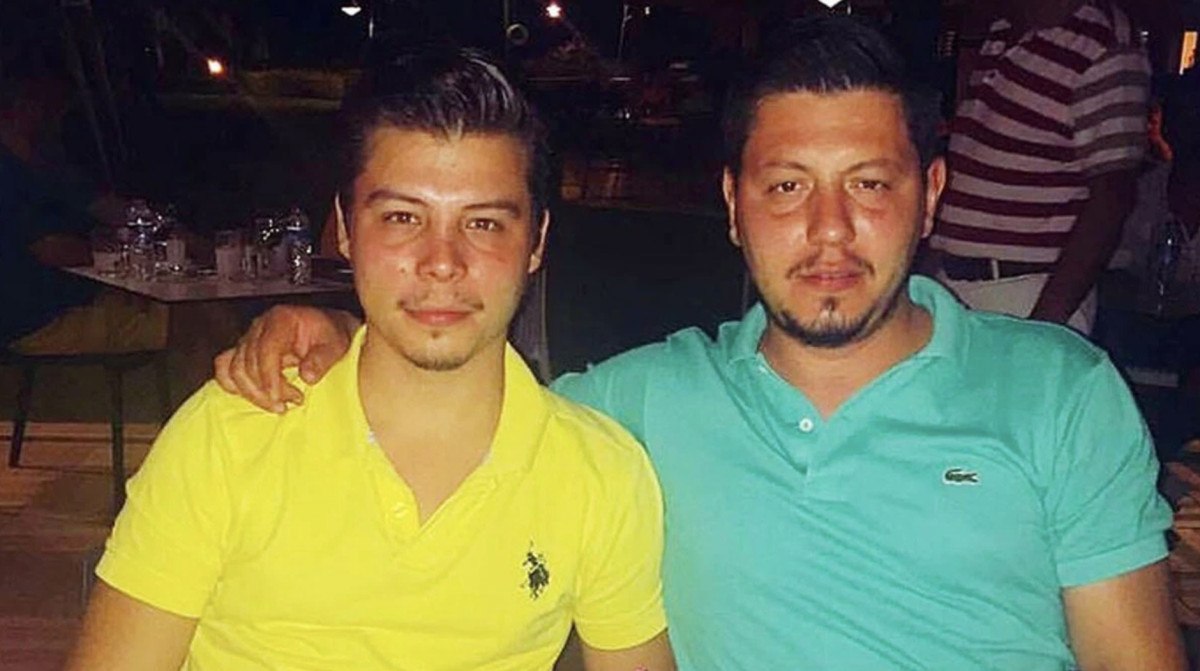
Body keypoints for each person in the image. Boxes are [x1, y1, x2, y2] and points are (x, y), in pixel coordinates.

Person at [214, 17, 1185, 670]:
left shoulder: (1057, 389)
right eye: (787, 186)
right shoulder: (645, 402)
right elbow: (458, 397)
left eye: (869, 184)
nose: (830, 230)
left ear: (930, 194)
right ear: (732, 204)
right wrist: (343, 328)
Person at [67, 47, 674, 671]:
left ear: (537, 242)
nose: (442, 262)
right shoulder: (232, 433)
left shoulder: (599, 472)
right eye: (403, 218)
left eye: (484, 224)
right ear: (345, 228)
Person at [929, 0, 1150, 334]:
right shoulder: (1003, 32)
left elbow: (1112, 197)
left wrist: (1044, 327)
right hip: (957, 289)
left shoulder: (1102, 40)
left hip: (1026, 294)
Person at [0, 39, 166, 354]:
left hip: (74, 298)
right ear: (26, 104)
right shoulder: (8, 171)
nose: (60, 116)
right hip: (35, 319)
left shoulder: (43, 162)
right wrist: (123, 252)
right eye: (56, 105)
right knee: (188, 322)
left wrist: (167, 231)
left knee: (190, 309)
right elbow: (52, 249)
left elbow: (105, 206)